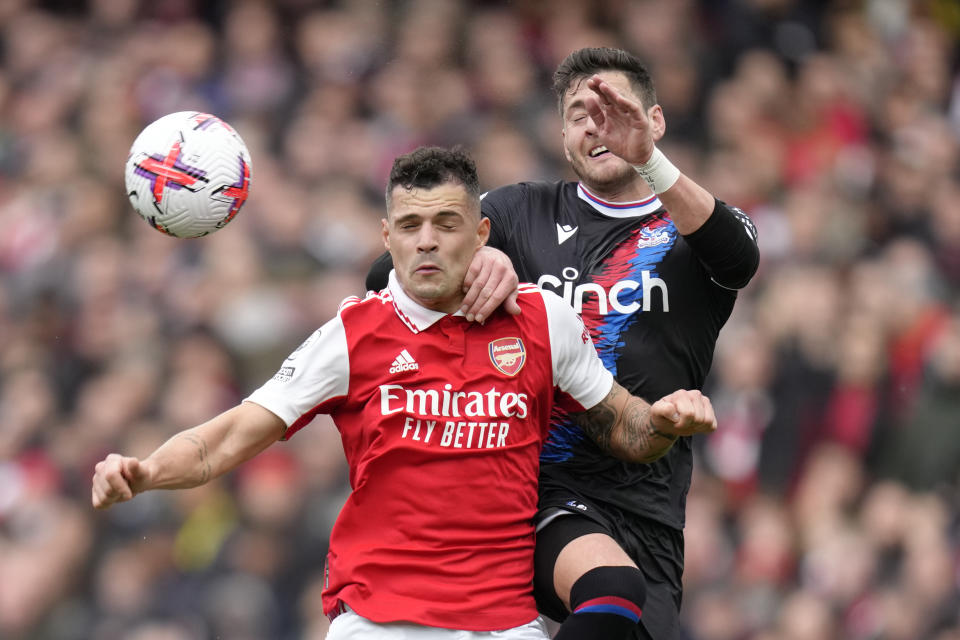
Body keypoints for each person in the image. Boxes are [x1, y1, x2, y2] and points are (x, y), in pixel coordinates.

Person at [92, 146, 718, 640]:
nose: (426, 240)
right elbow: (224, 439)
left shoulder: (543, 322)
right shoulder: (351, 335)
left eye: (446, 223)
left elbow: (627, 430)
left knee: (619, 597)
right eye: (410, 224)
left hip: (505, 623)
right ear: (386, 236)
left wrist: (667, 417)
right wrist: (145, 471)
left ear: (481, 233)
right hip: (379, 621)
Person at [367, 48, 760, 639]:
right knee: (608, 588)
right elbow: (384, 278)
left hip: (648, 501)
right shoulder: (519, 213)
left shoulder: (693, 228)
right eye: (580, 113)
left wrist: (651, 164)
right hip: (529, 487)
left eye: (614, 109)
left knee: (623, 616)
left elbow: (740, 259)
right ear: (563, 135)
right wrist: (477, 258)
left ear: (654, 121)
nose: (597, 124)